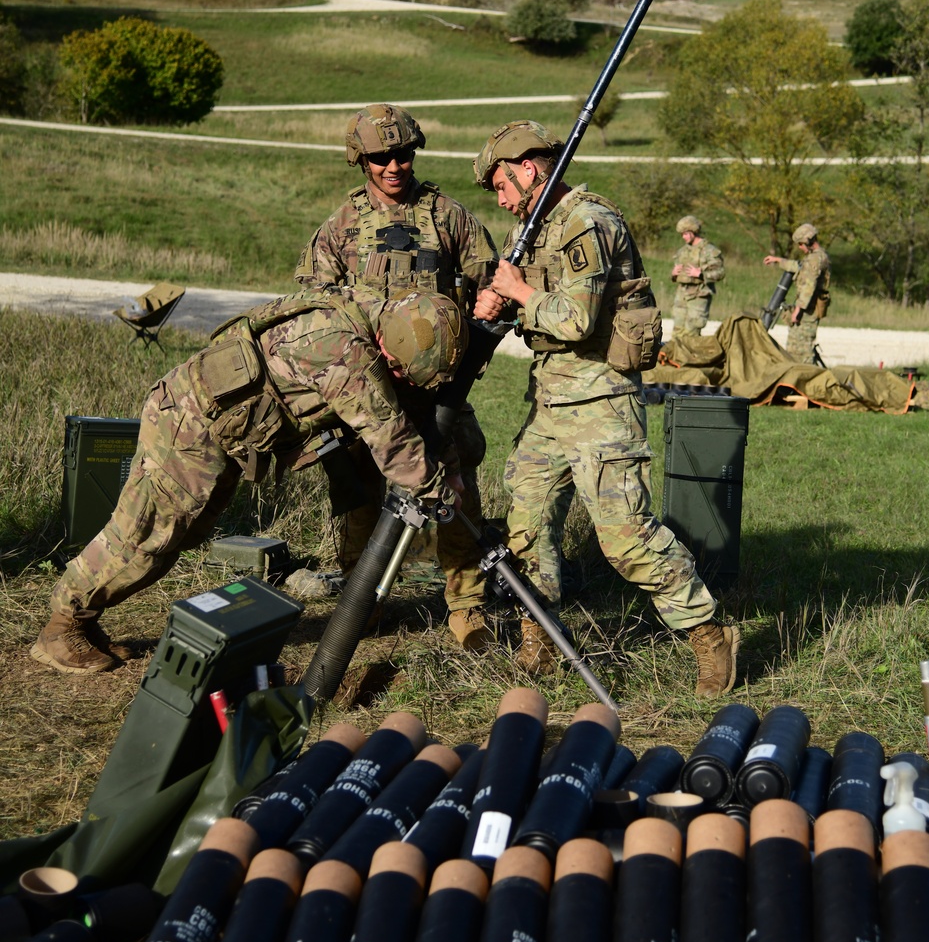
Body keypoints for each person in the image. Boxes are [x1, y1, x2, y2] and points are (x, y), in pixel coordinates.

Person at [31, 291, 467, 675]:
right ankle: (62, 627)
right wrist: (442, 491)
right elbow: (390, 439)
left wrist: (448, 461)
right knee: (147, 533)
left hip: (220, 429)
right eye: (399, 370)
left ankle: (85, 622)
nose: (402, 379)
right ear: (391, 347)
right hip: (188, 423)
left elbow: (413, 408)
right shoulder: (344, 354)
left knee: (179, 535)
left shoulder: (380, 314)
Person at [471, 120, 739, 698]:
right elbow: (545, 311)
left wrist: (518, 292)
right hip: (550, 400)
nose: (500, 199)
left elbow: (576, 320)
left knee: (625, 537)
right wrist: (501, 303)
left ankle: (707, 633)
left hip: (600, 401)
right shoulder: (540, 229)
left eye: (500, 185)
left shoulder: (587, 222)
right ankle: (539, 634)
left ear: (528, 169)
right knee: (527, 521)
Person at [295, 103, 498, 652]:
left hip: (438, 390)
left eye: (403, 154)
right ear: (361, 160)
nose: (394, 165)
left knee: (455, 492)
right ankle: (363, 602)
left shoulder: (449, 218)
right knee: (361, 496)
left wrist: (470, 346)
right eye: (382, 157)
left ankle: (468, 605)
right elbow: (312, 312)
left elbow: (493, 288)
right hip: (366, 390)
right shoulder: (340, 227)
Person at [763, 222, 831, 365]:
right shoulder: (816, 257)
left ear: (808, 241)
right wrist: (778, 260)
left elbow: (808, 286)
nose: (800, 248)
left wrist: (798, 310)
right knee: (796, 350)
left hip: (807, 312)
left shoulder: (815, 259)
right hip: (807, 310)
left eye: (801, 244)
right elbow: (799, 266)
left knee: (801, 352)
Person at [670, 215, 725, 335]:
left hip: (699, 295)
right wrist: (674, 274)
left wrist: (701, 274)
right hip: (682, 295)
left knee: (692, 332)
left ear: (693, 232)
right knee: (677, 332)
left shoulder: (709, 251)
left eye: (685, 234)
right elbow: (676, 271)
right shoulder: (682, 251)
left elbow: (720, 273)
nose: (683, 237)